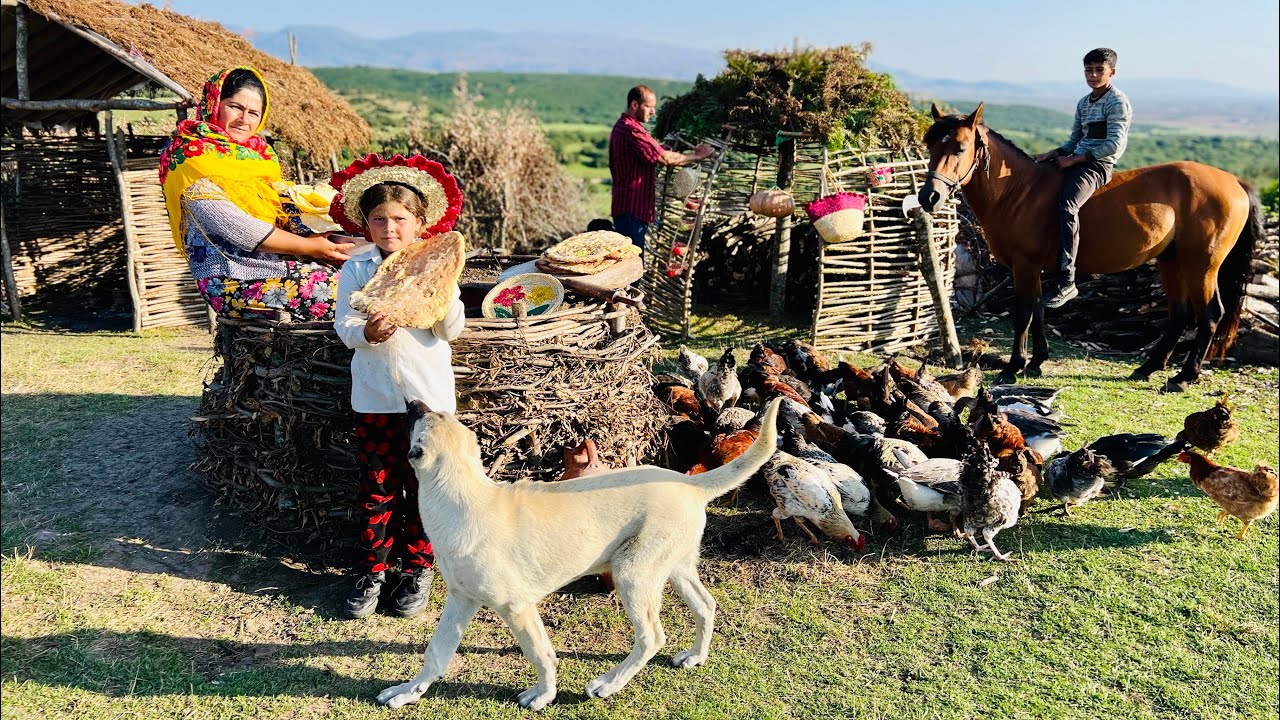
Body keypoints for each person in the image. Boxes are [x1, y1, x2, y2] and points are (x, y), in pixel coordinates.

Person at [331, 154, 466, 619]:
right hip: (375, 399)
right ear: (366, 225)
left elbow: (451, 329)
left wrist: (443, 293)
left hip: (428, 401)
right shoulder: (358, 268)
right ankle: (373, 570)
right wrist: (365, 333)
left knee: (425, 484)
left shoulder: (438, 267)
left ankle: (418, 569)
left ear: (420, 223)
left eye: (400, 220)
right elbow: (344, 324)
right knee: (379, 485)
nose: (390, 229)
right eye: (379, 220)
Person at [160, 66, 354, 321]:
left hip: (272, 268)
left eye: (253, 113)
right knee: (349, 292)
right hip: (232, 279)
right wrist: (310, 247)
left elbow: (282, 207)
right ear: (214, 104)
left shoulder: (258, 157)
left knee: (359, 274)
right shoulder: (191, 158)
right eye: (235, 107)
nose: (244, 119)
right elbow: (240, 229)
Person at [1033, 48, 1131, 308]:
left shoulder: (1116, 102)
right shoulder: (1084, 102)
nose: (1094, 75)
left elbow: (1114, 145)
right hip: (1074, 159)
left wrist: (1075, 159)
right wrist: (1052, 154)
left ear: (1112, 72)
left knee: (1067, 206)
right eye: (1089, 70)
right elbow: (1074, 140)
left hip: (1096, 166)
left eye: (1100, 70)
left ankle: (1067, 280)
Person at [609, 84, 714, 249]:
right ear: (635, 105)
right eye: (649, 107)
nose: (653, 112)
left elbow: (649, 154)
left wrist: (658, 149)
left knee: (629, 261)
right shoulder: (632, 130)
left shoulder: (623, 126)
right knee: (633, 264)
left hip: (626, 208)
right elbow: (664, 158)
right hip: (632, 209)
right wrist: (698, 156)